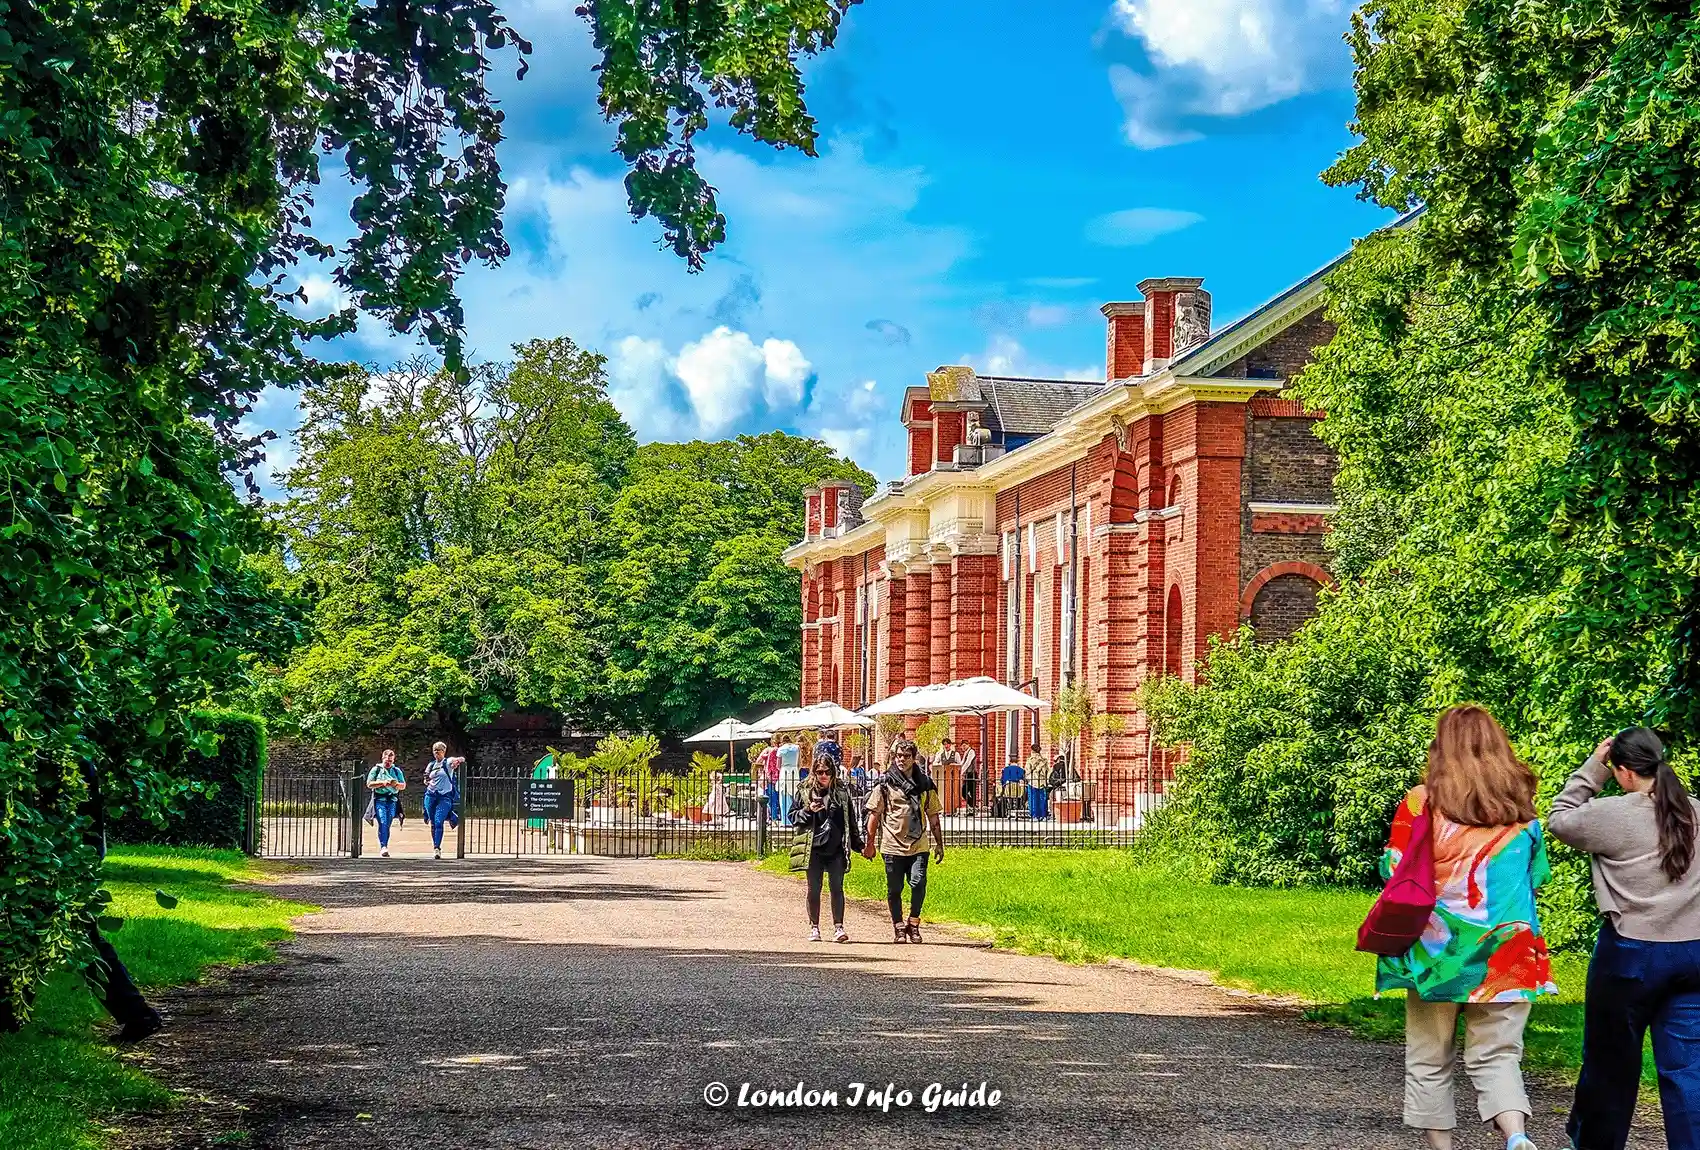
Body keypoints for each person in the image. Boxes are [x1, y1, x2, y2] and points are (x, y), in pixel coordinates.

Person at [1378, 705, 1553, 1150]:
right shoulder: (1523, 813)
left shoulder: (1421, 803)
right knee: (1499, 1057)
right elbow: (1537, 877)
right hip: (1510, 955)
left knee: (1429, 1058)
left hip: (1438, 956)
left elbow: (1394, 869)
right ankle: (1516, 1137)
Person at [1547, 727, 1700, 1150]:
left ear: (1625, 772)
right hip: (1693, 954)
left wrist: (1593, 768)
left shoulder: (1609, 814)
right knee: (1689, 1070)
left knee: (1610, 1066)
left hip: (1630, 955)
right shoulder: (1696, 813)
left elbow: (1559, 817)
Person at [861, 739, 944, 943]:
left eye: (906, 756)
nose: (901, 760)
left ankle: (913, 923)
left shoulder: (925, 784)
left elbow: (933, 816)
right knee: (894, 888)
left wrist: (940, 844)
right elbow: (874, 815)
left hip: (919, 845)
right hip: (892, 845)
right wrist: (869, 844)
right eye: (898, 756)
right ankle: (898, 926)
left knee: (918, 883)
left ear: (914, 758)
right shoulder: (885, 783)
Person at [794, 752, 865, 943]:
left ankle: (838, 927)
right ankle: (814, 927)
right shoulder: (804, 791)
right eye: (819, 772)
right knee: (813, 889)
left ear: (833, 773)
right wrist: (808, 810)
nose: (823, 776)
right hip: (813, 848)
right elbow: (793, 816)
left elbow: (851, 820)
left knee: (837, 888)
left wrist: (860, 846)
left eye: (826, 772)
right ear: (813, 773)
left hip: (835, 848)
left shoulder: (841, 793)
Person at [421, 742, 463, 860]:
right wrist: (427, 781)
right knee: (433, 822)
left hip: (444, 796)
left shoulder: (448, 762)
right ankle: (450, 815)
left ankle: (437, 848)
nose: (436, 752)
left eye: (439, 750)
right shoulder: (431, 765)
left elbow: (459, 759)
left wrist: (458, 761)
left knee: (439, 821)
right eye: (434, 750)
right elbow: (426, 778)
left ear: (444, 751)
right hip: (431, 795)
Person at [365, 749, 407, 858]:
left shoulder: (397, 771)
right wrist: (383, 783)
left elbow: (403, 785)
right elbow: (369, 784)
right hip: (380, 800)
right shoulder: (376, 769)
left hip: (392, 800)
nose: (388, 763)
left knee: (388, 823)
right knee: (382, 821)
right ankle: (383, 847)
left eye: (391, 761)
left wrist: (396, 785)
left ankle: (385, 844)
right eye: (387, 761)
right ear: (383, 759)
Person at [776, 734, 803, 827]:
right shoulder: (797, 748)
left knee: (783, 795)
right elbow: (799, 762)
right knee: (795, 795)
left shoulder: (781, 749)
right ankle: (794, 818)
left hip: (784, 771)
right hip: (794, 771)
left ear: (782, 741)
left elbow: (778, 765)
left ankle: (785, 821)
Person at [756, 737, 781, 824]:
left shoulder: (767, 750)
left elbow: (758, 761)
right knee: (778, 798)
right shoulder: (782, 750)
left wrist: (765, 761)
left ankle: (772, 817)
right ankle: (777, 816)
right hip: (781, 776)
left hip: (769, 776)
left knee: (770, 798)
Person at [1026, 742, 1050, 821]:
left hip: (1033, 781)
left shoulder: (1030, 760)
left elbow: (1027, 771)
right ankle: (1044, 815)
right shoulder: (1044, 760)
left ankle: (1034, 816)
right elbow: (1047, 771)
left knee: (1033, 799)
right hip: (1042, 781)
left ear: (1032, 751)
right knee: (1042, 799)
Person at [959, 742, 980, 812]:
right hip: (968, 774)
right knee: (964, 791)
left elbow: (968, 763)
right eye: (962, 746)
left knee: (971, 791)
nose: (963, 747)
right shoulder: (966, 753)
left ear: (968, 745)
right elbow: (962, 762)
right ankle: (973, 805)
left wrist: (961, 772)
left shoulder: (971, 752)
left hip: (972, 774)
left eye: (965, 746)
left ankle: (973, 806)